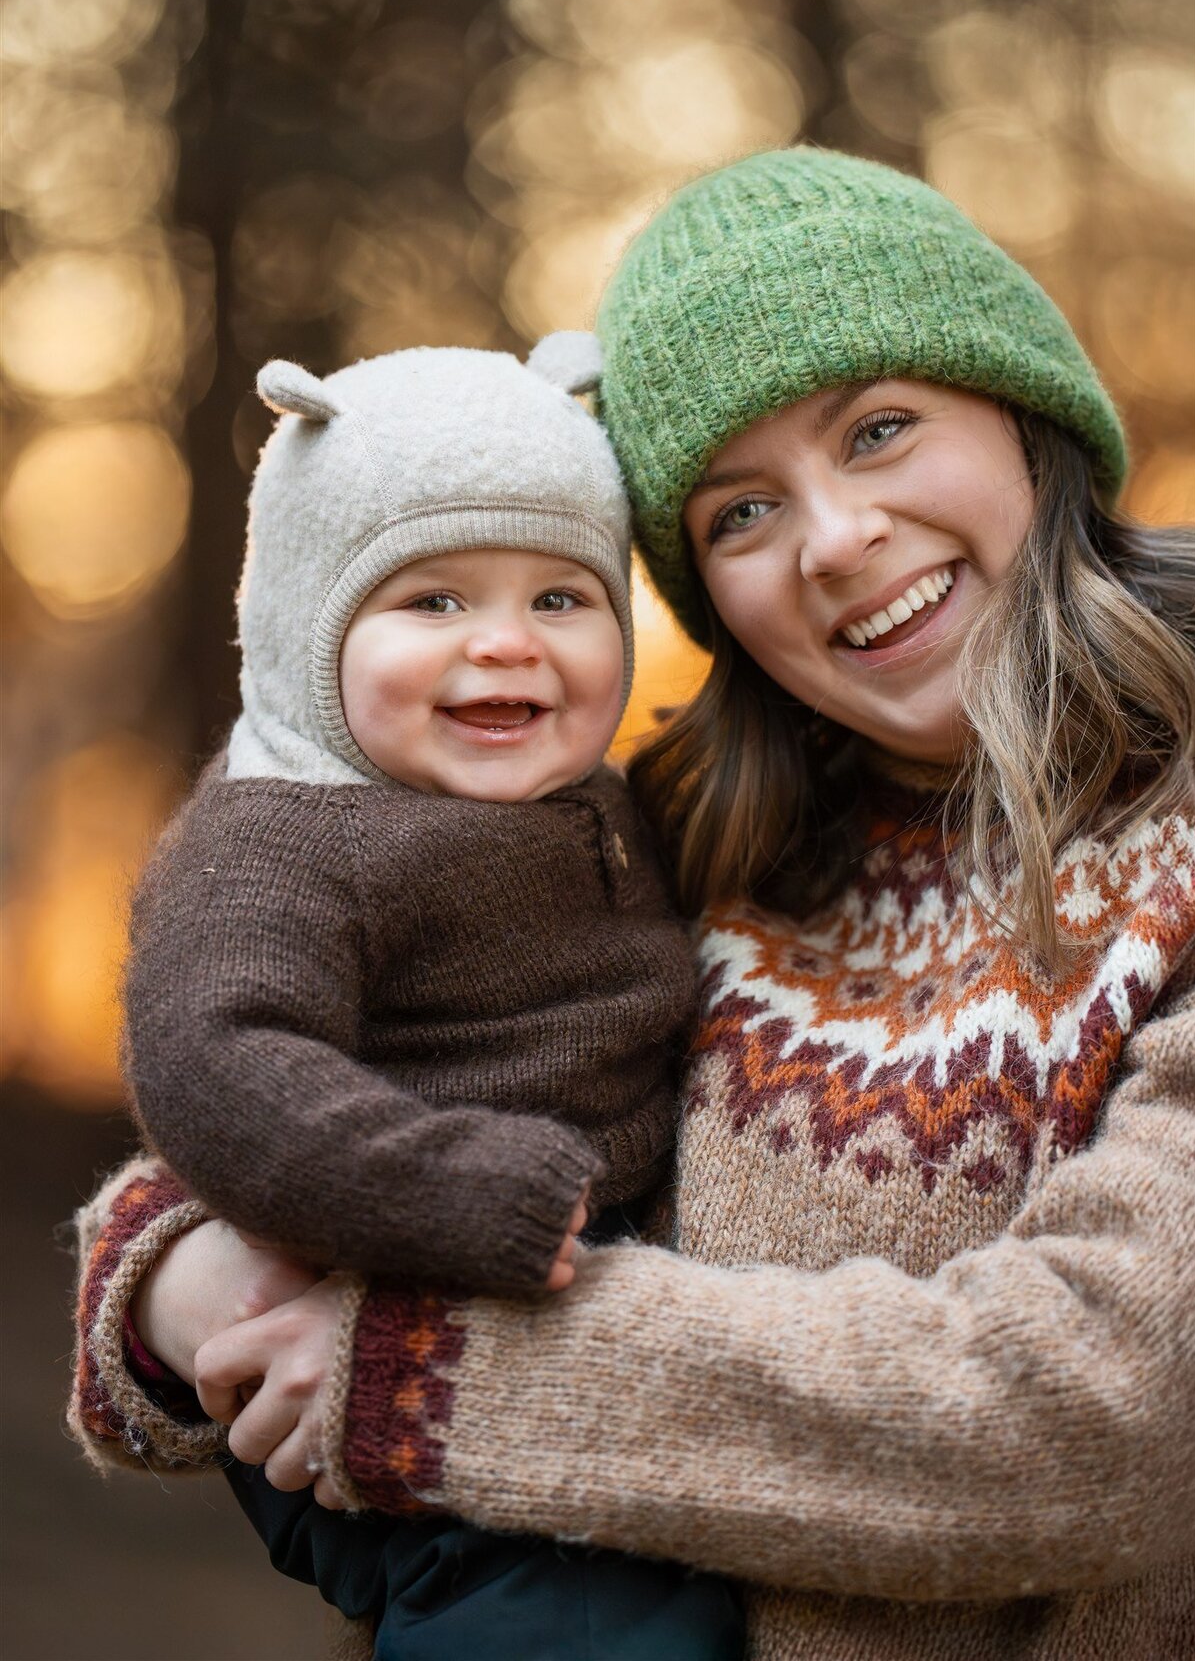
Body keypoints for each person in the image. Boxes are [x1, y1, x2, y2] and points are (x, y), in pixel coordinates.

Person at [71, 148, 1195, 1661]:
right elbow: (308, 1074)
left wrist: (419, 1373)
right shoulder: (683, 835)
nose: (835, 538)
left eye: (879, 430)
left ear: (1029, 423)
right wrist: (168, 1274)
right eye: (740, 512)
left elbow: (1095, 1415)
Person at [76, 337, 742, 1661]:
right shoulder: (278, 842)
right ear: (304, 625)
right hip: (390, 1307)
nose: (507, 645)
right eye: (432, 602)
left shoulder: (601, 800)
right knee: (586, 1628)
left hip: (559, 1295)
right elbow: (221, 1068)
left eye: (563, 599)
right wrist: (461, 1192)